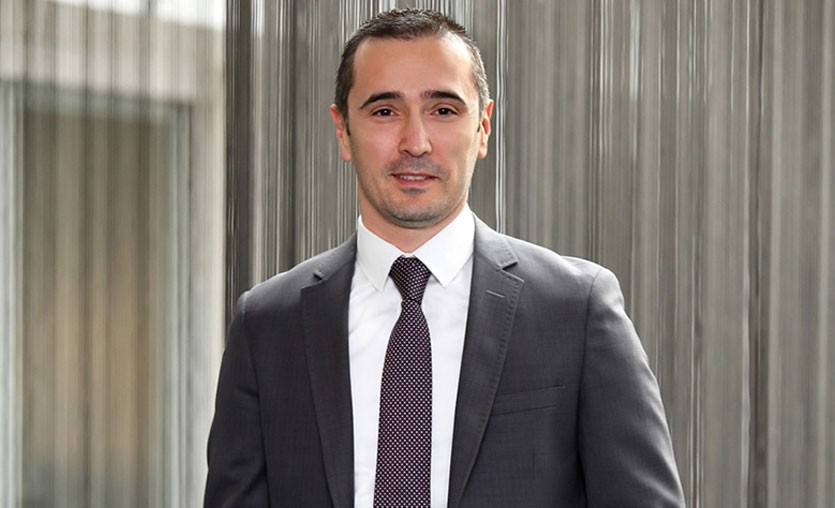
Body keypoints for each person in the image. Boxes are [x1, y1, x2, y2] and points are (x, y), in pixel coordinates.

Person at [205, 8, 685, 508]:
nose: (415, 143)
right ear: (343, 131)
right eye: (384, 111)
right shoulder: (268, 326)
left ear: (483, 127)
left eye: (444, 110)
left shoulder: (575, 312)